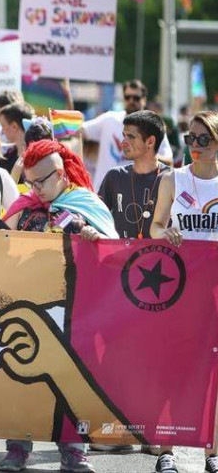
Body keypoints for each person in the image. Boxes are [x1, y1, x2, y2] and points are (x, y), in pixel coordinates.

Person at [0, 140, 116, 473]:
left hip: (75, 309)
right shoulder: (24, 205)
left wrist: (96, 239)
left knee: (71, 380)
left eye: (42, 182)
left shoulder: (86, 204)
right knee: (21, 378)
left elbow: (114, 252)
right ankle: (18, 447)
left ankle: (73, 451)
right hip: (27, 304)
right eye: (31, 182)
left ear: (62, 175)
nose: (36, 189)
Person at [150, 111, 218, 473]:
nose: (194, 145)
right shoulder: (172, 179)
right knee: (172, 369)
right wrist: (167, 234)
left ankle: (213, 453)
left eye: (202, 139)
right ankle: (166, 451)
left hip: (214, 290)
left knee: (213, 374)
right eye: (189, 139)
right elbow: (154, 227)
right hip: (177, 288)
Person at [82, 79, 173, 189]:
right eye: (127, 97)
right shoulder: (109, 119)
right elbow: (80, 131)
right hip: (103, 192)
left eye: (136, 98)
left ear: (144, 100)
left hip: (133, 196)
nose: (131, 101)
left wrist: (145, 153)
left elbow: (169, 161)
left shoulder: (153, 126)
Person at [98, 110, 170, 240]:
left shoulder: (173, 179)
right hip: (120, 258)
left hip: (163, 258)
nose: (123, 142)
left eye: (130, 136)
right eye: (123, 136)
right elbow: (95, 217)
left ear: (150, 142)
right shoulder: (114, 176)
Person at [0, 102, 35, 181]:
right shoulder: (5, 159)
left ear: (14, 126)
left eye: (3, 125)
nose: (2, 131)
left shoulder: (40, 155)